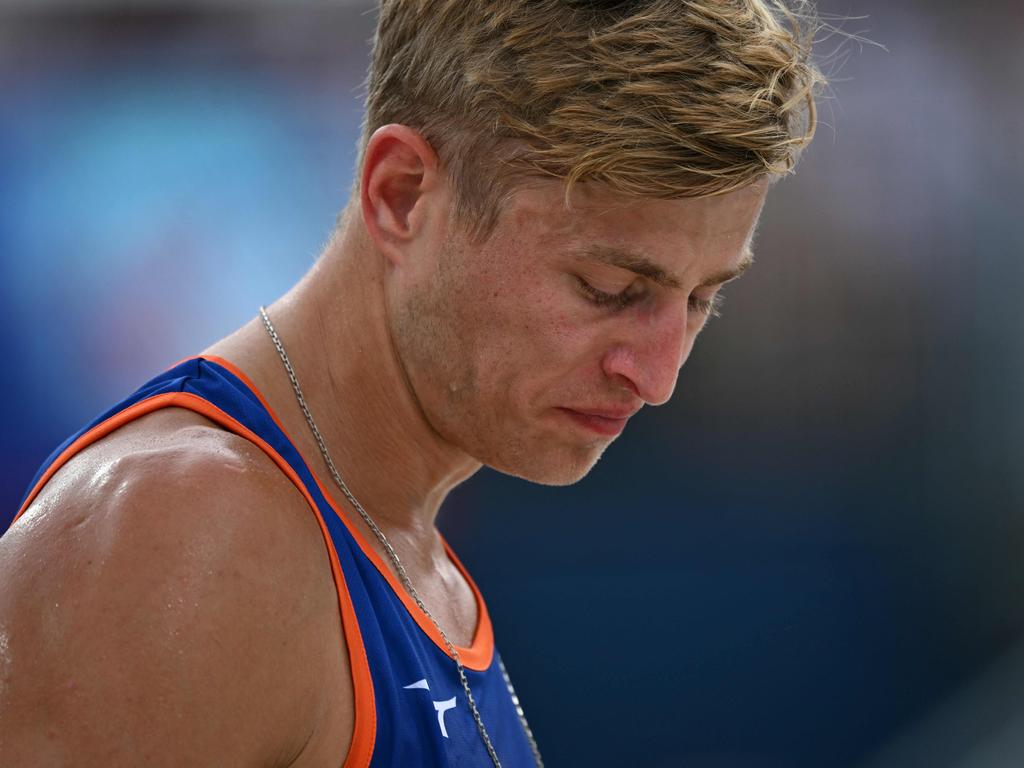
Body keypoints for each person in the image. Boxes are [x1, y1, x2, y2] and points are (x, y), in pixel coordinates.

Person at [0, 0, 824, 765]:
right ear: (401, 196)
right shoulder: (197, 534)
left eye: (702, 299)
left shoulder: (402, 552)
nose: (656, 376)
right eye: (608, 289)